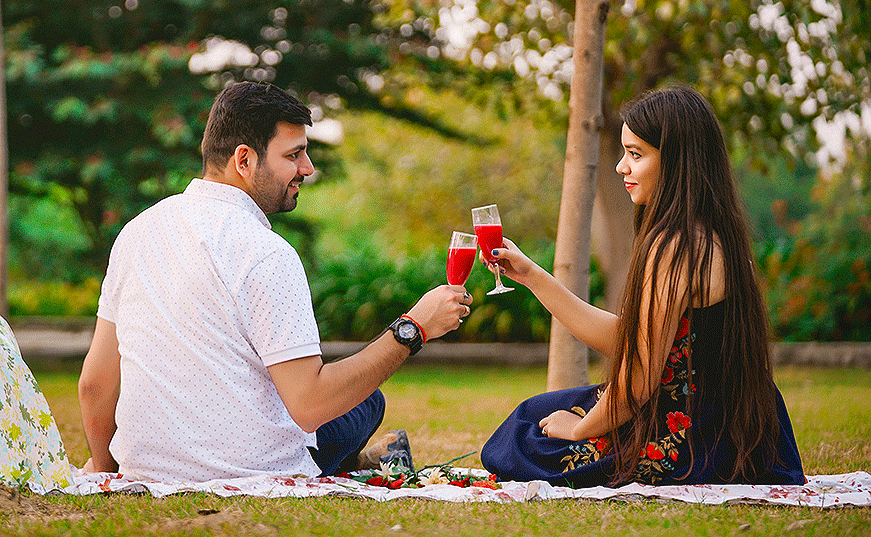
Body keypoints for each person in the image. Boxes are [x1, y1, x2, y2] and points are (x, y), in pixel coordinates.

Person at [77, 81, 471, 483]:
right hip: (255, 470)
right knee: (368, 402)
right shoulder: (265, 252)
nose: (307, 168)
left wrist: (108, 474)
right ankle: (359, 460)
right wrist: (413, 328)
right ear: (244, 160)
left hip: (148, 468)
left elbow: (94, 384)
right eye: (293, 155)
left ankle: (365, 459)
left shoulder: (137, 232)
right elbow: (311, 404)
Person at [480, 86, 806, 487]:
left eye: (636, 154)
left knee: (519, 442)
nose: (621, 167)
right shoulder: (711, 233)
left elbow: (638, 378)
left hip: (693, 437)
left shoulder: (675, 246)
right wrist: (532, 275)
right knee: (533, 416)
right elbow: (630, 339)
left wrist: (581, 429)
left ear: (677, 162)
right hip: (736, 426)